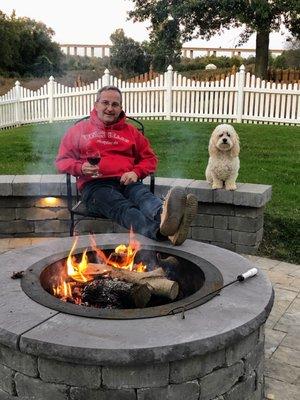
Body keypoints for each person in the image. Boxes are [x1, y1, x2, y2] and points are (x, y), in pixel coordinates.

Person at [56, 85, 197, 245]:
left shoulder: (131, 132)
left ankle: (165, 216)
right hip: (95, 187)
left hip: (127, 181)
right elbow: (61, 161)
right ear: (96, 105)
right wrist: (80, 168)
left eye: (115, 105)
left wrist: (136, 172)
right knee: (122, 207)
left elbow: (150, 159)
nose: (110, 108)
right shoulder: (79, 130)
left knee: (143, 196)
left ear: (121, 108)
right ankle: (161, 232)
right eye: (105, 103)